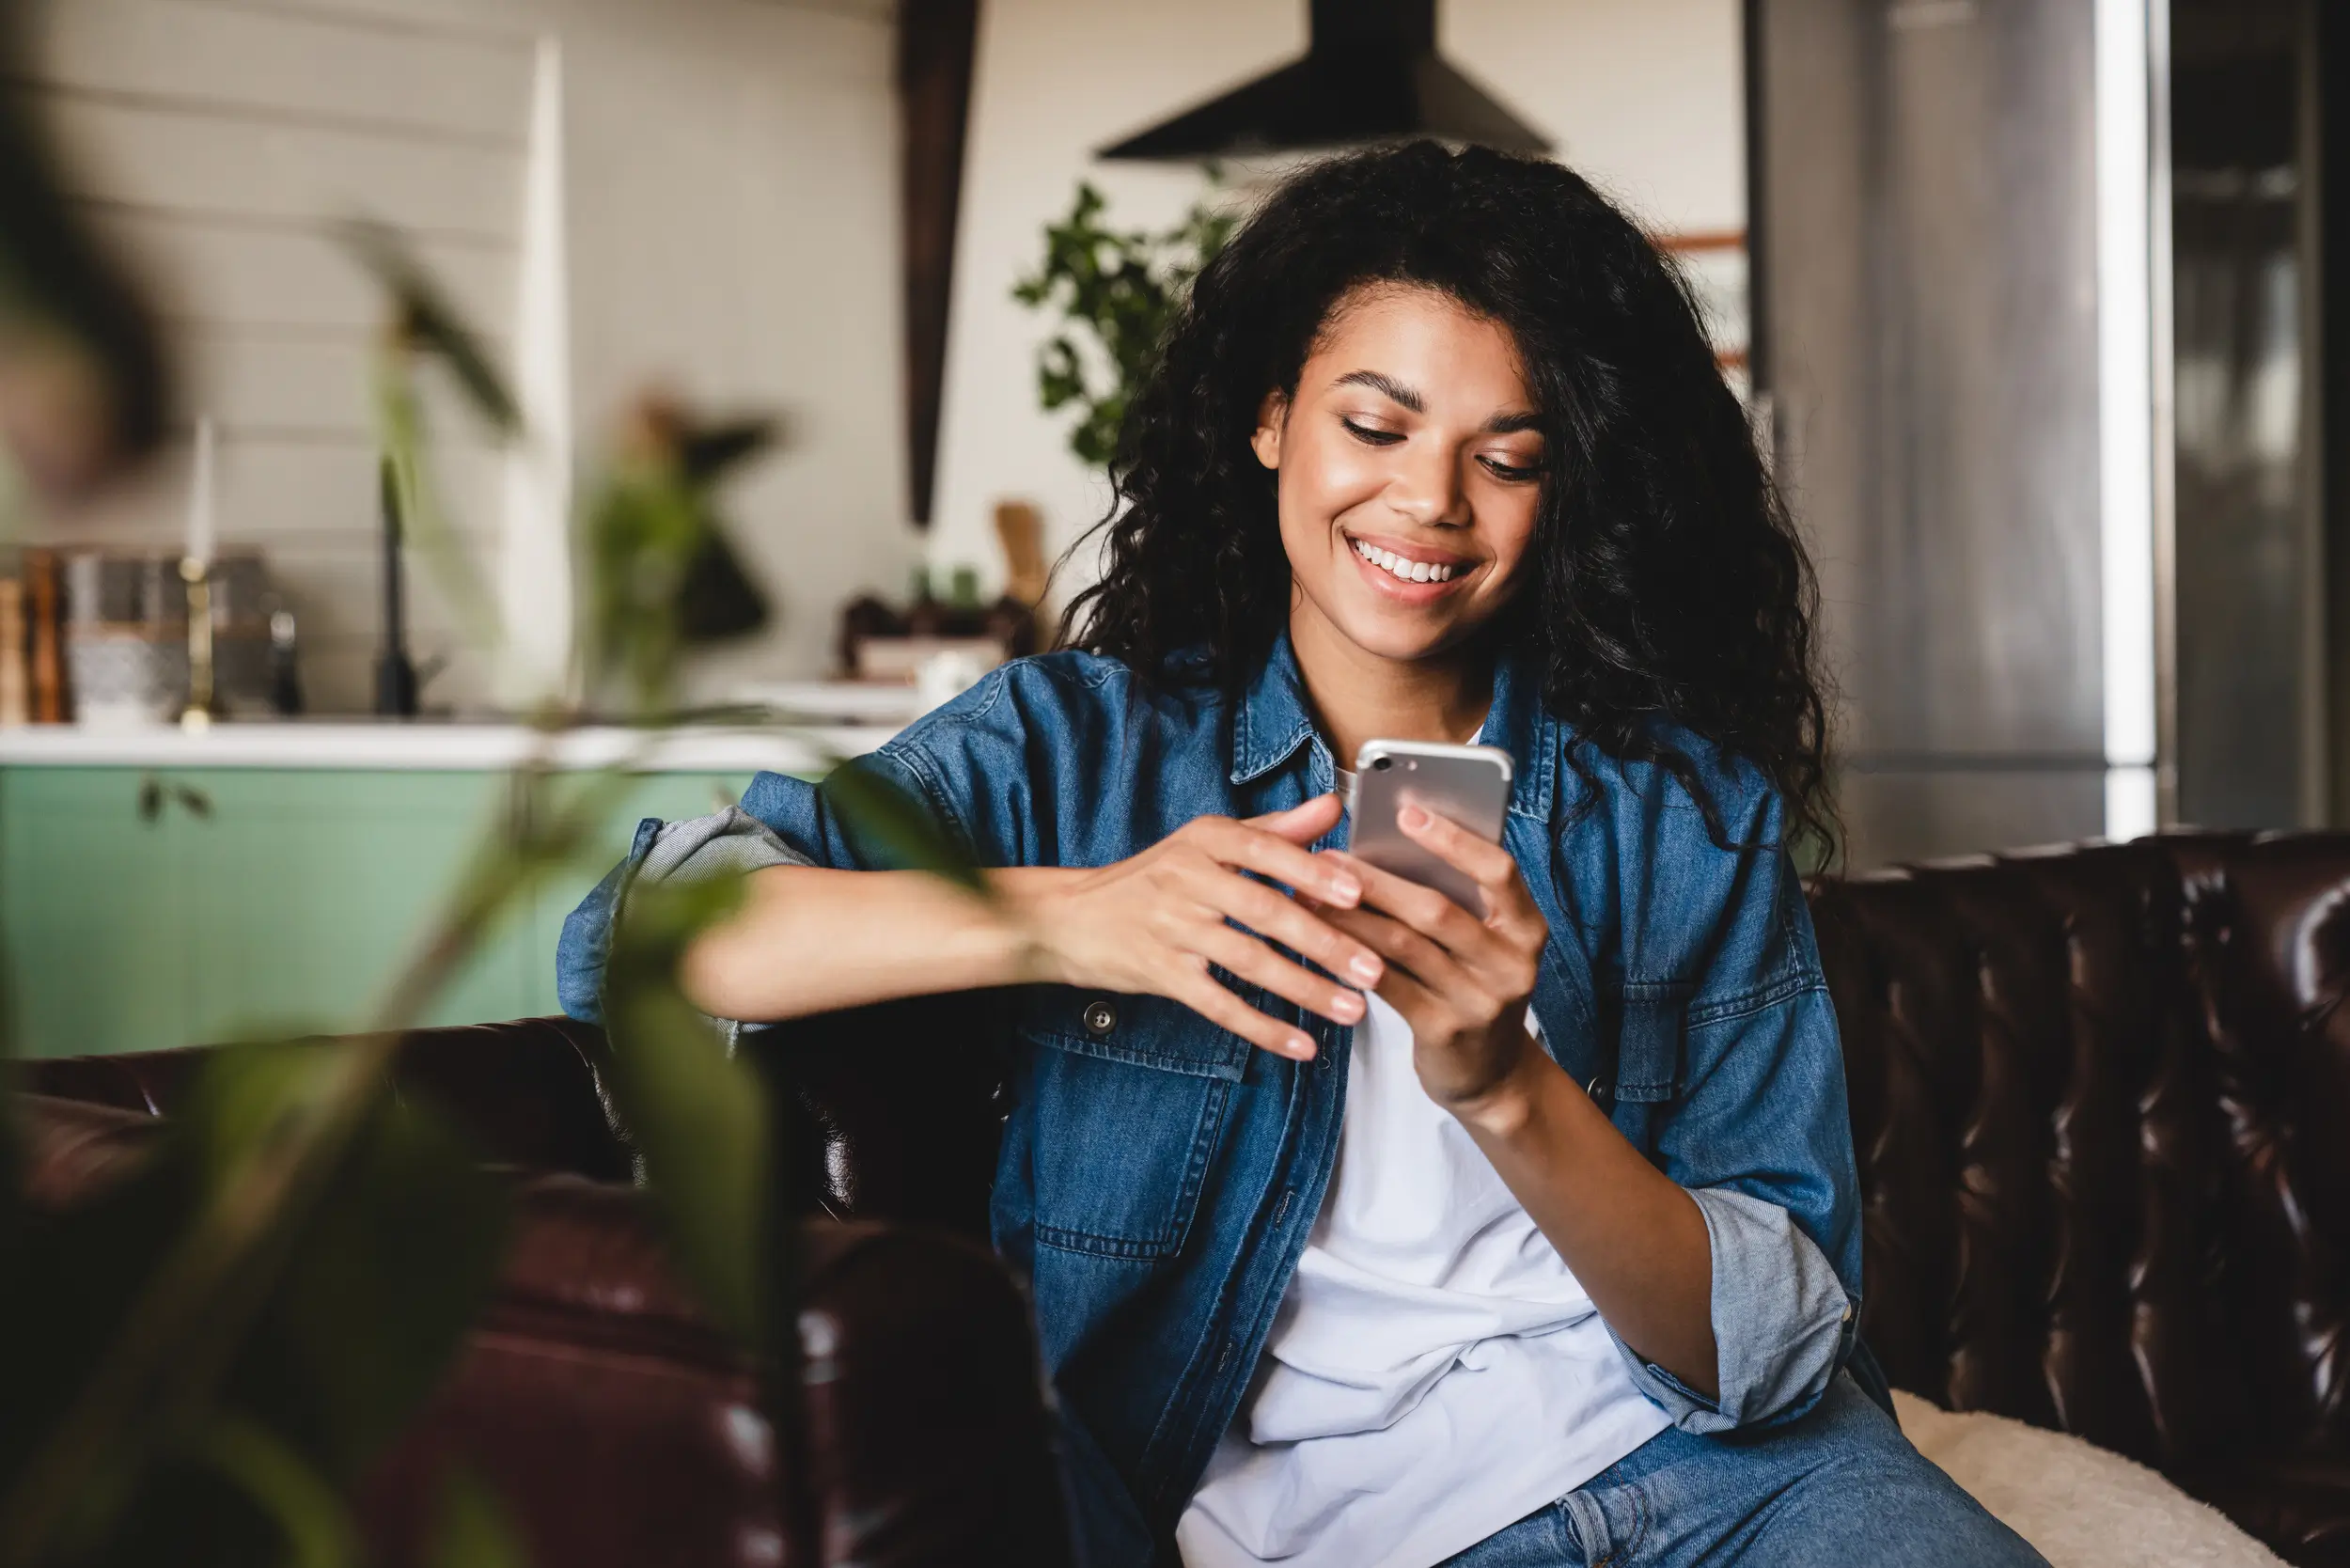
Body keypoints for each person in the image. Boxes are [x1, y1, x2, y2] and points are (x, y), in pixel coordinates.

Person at [557, 142, 2047, 1568]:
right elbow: (648, 934)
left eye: (1506, 458)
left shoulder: (1672, 811)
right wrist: (1077, 917)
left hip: (1728, 1487)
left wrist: (1509, 1089)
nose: (1429, 503)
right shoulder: (1076, 754)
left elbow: (1777, 1346)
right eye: (1376, 426)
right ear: (1271, 417)